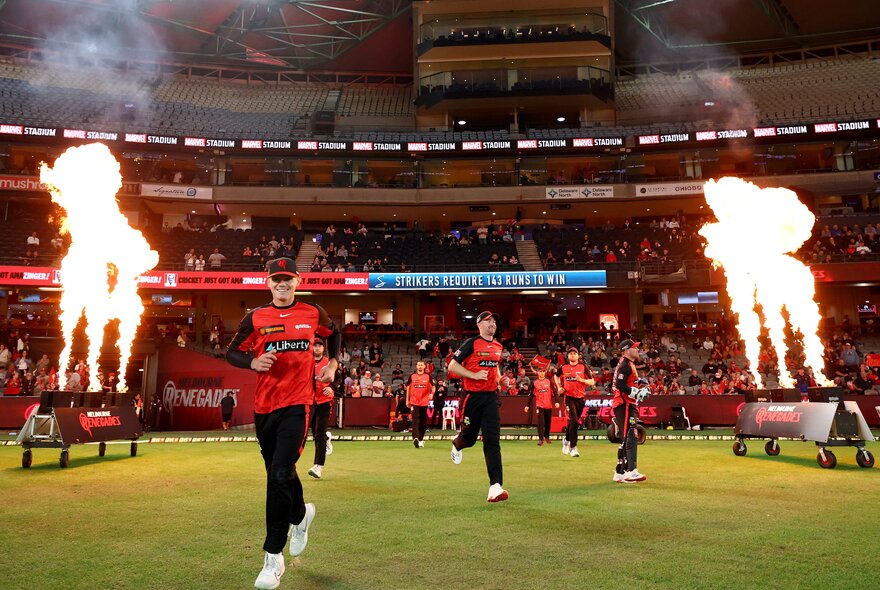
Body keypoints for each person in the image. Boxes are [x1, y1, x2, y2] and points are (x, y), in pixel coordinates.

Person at [226, 257, 339, 589]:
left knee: (278, 474)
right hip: (264, 409)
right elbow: (231, 352)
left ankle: (273, 557)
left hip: (298, 405)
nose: (282, 284)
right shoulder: (255, 317)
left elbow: (335, 335)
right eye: (277, 279)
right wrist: (252, 362)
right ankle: (300, 517)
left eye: (288, 278)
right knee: (280, 473)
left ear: (298, 281)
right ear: (269, 282)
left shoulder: (312, 313)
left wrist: (331, 363)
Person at [448, 311, 508, 503]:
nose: (493, 323)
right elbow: (452, 366)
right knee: (470, 439)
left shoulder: (498, 346)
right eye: (488, 320)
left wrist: (501, 381)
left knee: (492, 441)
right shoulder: (471, 343)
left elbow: (495, 369)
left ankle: (495, 487)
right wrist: (473, 375)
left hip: (491, 397)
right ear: (479, 324)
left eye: (494, 320)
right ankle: (457, 443)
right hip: (471, 397)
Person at [612, 340, 648, 483]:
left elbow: (626, 383)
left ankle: (620, 472)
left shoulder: (628, 364)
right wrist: (635, 392)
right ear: (627, 350)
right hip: (624, 403)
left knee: (626, 437)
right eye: (634, 347)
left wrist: (640, 386)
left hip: (624, 403)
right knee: (631, 435)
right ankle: (631, 471)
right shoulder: (626, 365)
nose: (637, 349)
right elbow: (620, 385)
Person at [555, 345, 595, 458]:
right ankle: (573, 447)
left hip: (580, 398)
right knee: (574, 420)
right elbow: (556, 376)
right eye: (570, 353)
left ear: (578, 356)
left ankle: (566, 439)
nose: (572, 355)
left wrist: (581, 380)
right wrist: (559, 387)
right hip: (569, 397)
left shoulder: (583, 367)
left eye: (574, 353)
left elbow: (592, 382)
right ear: (568, 356)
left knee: (574, 422)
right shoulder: (564, 367)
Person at [308, 338, 336, 479]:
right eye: (315, 346)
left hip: (325, 401)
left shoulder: (329, 363)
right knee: (314, 432)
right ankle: (327, 438)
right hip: (310, 400)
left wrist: (331, 389)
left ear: (323, 348)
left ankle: (318, 466)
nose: (317, 348)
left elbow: (340, 379)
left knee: (319, 432)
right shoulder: (307, 361)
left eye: (319, 346)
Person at [525, 367, 558, 445]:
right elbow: (531, 395)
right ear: (537, 373)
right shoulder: (534, 383)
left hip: (548, 406)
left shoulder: (549, 381)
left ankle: (546, 436)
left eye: (543, 371)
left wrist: (557, 401)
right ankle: (540, 439)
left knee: (548, 423)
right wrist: (527, 405)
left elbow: (555, 392)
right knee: (540, 422)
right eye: (540, 371)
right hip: (539, 405)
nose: (542, 373)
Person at [406, 360, 435, 448]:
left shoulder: (428, 376)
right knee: (415, 420)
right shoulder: (412, 376)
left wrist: (431, 394)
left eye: (421, 365)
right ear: (416, 366)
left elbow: (433, 387)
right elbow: (408, 388)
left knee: (423, 421)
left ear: (424, 367)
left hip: (424, 402)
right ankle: (415, 438)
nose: (420, 366)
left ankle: (421, 439)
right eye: (418, 365)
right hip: (414, 402)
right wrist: (407, 400)